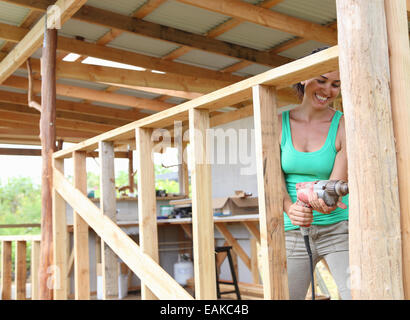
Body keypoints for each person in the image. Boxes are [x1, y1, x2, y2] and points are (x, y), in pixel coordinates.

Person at [278, 47, 351, 300]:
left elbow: (335, 184)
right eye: (320, 80)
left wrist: (327, 199)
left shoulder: (343, 124)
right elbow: (271, 180)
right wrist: (289, 207)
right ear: (303, 78)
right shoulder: (278, 123)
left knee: (356, 293)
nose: (327, 90)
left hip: (338, 228)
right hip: (293, 230)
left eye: (335, 84)